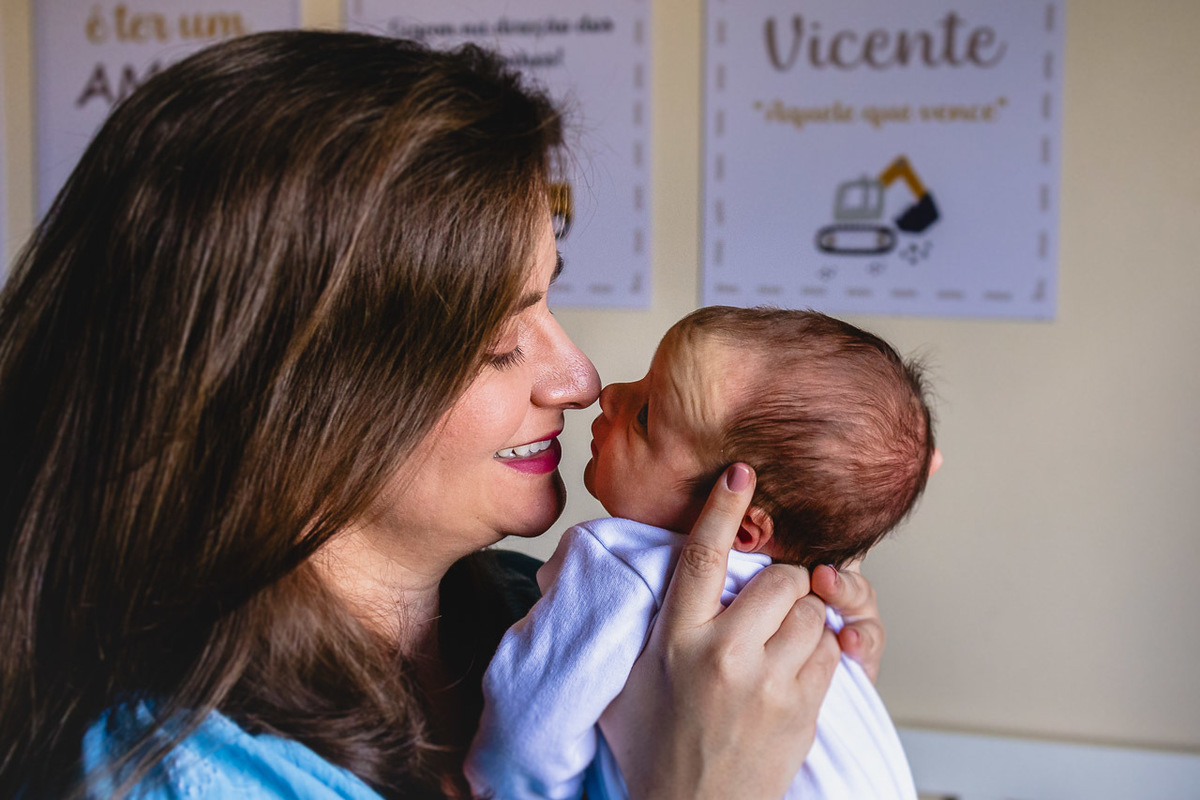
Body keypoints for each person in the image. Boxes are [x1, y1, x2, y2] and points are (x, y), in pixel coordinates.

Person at [0, 31, 887, 800]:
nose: (579, 380)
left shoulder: (535, 611)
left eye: (549, 301)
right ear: (280, 392)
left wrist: (795, 714)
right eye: (499, 342)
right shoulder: (172, 774)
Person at [467, 306, 941, 800]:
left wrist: (502, 787)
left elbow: (527, 732)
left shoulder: (620, 566)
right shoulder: (817, 604)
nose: (609, 395)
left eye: (645, 416)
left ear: (742, 527)